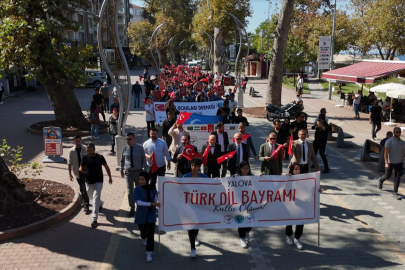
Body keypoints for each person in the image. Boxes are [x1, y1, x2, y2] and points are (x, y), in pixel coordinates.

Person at [79, 143, 113, 228]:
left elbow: (106, 167)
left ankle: (94, 219)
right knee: (91, 196)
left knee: (94, 199)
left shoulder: (100, 157)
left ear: (94, 149)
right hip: (88, 181)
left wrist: (110, 177)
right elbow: (81, 167)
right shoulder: (85, 158)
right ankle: (100, 203)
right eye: (87, 151)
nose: (89, 152)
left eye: (90, 150)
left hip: (98, 181)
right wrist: (81, 170)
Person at [182, 157, 208, 258]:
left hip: (200, 206)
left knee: (197, 223)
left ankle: (195, 235)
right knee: (190, 226)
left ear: (199, 167)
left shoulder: (204, 177)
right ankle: (192, 248)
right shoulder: (186, 176)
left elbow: (211, 188)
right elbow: (178, 186)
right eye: (191, 165)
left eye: (195, 166)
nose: (192, 167)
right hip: (188, 206)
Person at [134, 171, 160, 262]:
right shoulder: (137, 189)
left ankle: (149, 252)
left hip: (151, 214)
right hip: (141, 214)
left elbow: (155, 199)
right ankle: (143, 238)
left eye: (143, 179)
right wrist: (152, 203)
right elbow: (139, 202)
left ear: (147, 180)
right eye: (139, 179)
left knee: (150, 233)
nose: (141, 181)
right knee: (143, 232)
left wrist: (157, 196)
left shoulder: (152, 188)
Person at [121, 132, 147, 217]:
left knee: (139, 191)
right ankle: (132, 208)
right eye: (126, 139)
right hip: (129, 173)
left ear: (134, 139)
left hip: (139, 172)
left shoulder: (140, 148)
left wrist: (145, 173)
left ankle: (140, 207)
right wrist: (121, 170)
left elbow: (144, 160)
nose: (128, 141)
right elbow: (122, 160)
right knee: (129, 192)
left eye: (129, 139)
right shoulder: (125, 148)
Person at [378, 127, 405, 200]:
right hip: (390, 162)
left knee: (397, 177)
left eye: (399, 132)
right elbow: (385, 153)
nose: (398, 133)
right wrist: (386, 163)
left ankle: (395, 192)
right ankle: (381, 180)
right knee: (388, 175)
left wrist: (403, 161)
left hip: (399, 162)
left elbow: (402, 152)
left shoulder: (402, 142)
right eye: (397, 132)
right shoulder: (389, 141)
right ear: (393, 132)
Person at [285, 162, 305, 250]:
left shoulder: (305, 179)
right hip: (291, 204)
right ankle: (289, 236)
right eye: (296, 169)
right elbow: (285, 190)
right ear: (292, 170)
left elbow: (312, 188)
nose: (298, 171)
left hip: (302, 205)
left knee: (300, 222)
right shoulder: (289, 178)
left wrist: (318, 189)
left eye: (299, 169)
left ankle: (297, 239)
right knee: (290, 221)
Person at [68, 135, 89, 213]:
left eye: (79, 141)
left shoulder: (85, 149)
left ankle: (86, 204)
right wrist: (70, 174)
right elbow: (69, 163)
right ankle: (84, 200)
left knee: (84, 188)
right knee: (81, 187)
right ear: (74, 141)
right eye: (76, 141)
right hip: (77, 173)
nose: (78, 143)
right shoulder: (71, 151)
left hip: (86, 172)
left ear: (81, 141)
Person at [234, 161, 253, 248]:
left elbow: (261, 184)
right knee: (241, 220)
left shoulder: (252, 177)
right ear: (241, 169)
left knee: (249, 220)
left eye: (247, 168)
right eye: (244, 168)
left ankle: (247, 231)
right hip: (239, 203)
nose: (246, 170)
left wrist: (261, 178)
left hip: (250, 203)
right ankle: (242, 238)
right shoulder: (236, 177)